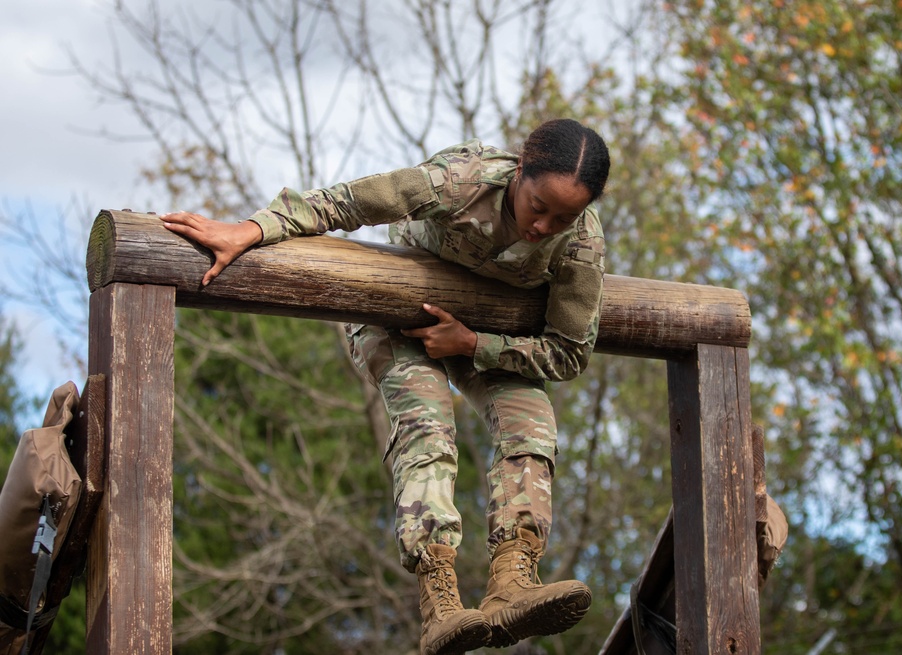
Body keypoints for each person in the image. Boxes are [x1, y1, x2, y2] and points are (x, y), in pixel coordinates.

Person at [160, 118, 611, 655]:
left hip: (485, 336)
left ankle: (514, 578)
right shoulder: (458, 182)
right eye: (538, 205)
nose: (544, 226)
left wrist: (472, 344)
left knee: (532, 424)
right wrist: (249, 230)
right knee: (429, 425)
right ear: (520, 172)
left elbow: (569, 351)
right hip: (394, 315)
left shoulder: (580, 243)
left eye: (564, 217)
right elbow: (344, 203)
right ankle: (438, 600)